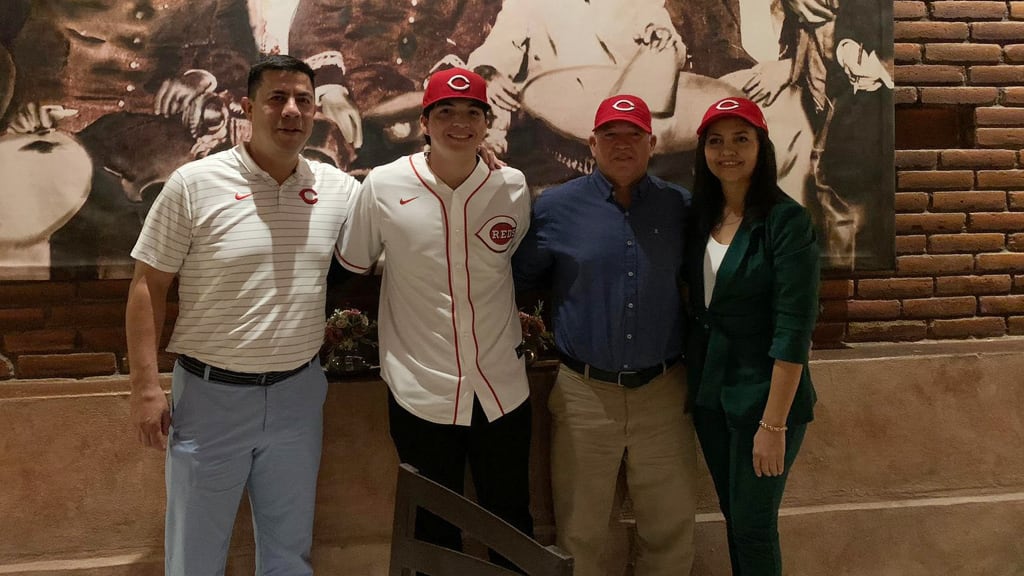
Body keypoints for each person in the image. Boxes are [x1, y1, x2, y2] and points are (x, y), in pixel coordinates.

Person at [125, 55, 360, 576]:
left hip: (298, 394)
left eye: (302, 99)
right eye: (277, 98)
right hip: (211, 398)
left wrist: (478, 163)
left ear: (315, 109)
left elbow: (406, 206)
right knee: (195, 554)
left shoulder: (339, 189)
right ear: (249, 108)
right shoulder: (193, 183)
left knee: (290, 552)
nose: (291, 110)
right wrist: (145, 386)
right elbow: (148, 284)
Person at [336, 67, 534, 566]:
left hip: (502, 387)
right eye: (445, 111)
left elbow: (515, 264)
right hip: (420, 387)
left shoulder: (512, 186)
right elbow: (350, 266)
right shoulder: (384, 184)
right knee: (432, 529)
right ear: (425, 121)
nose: (459, 123)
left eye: (473, 113)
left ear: (488, 123)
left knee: (512, 522)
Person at [513, 94, 697, 576]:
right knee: (579, 534)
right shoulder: (554, 207)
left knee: (670, 530)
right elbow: (519, 279)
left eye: (633, 135)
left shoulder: (681, 208)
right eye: (610, 135)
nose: (622, 144)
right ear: (591, 143)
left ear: (651, 143)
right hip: (582, 396)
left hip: (663, 393)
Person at [686, 96, 820, 575]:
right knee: (735, 521)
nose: (728, 151)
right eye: (716, 141)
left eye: (742, 139)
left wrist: (774, 426)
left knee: (754, 526)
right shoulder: (700, 215)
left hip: (766, 399)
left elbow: (793, 330)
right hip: (711, 395)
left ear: (762, 146)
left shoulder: (787, 222)